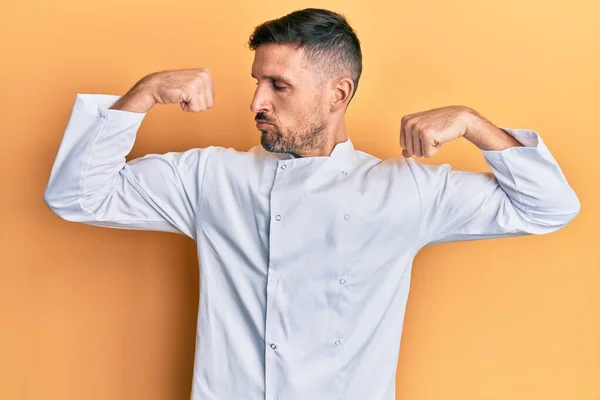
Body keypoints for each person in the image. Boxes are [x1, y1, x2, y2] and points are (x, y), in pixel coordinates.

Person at [43, 7, 580, 400]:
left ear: (338, 94)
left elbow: (548, 207)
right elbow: (75, 195)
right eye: (257, 83)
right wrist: (144, 93)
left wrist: (472, 123)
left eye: (279, 85)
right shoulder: (209, 177)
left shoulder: (406, 190)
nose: (256, 102)